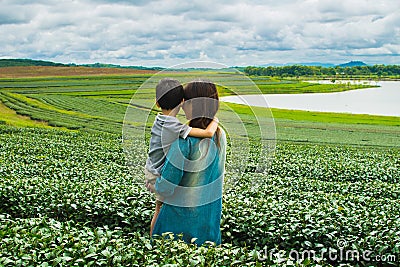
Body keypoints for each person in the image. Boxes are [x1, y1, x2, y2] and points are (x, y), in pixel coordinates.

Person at [148, 80, 226, 246]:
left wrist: (154, 185)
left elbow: (166, 187)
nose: (182, 106)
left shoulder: (185, 142)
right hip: (209, 222)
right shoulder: (220, 135)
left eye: (186, 102)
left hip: (179, 227)